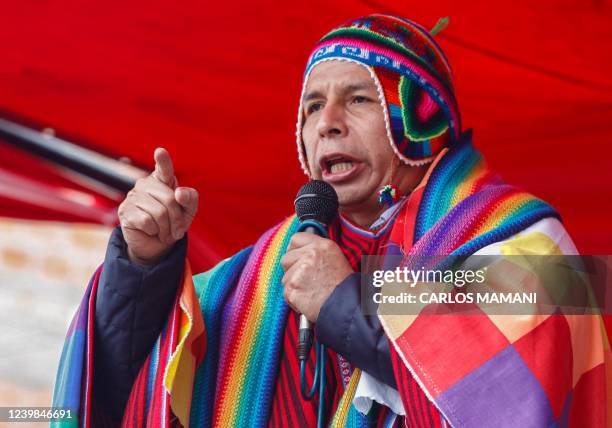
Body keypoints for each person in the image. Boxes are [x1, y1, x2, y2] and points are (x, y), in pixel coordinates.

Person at [52, 14, 610, 428]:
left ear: (421, 118)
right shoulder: (267, 271)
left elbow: (512, 389)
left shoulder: (525, 237)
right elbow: (138, 385)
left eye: (359, 100)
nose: (328, 124)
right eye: (313, 106)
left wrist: (345, 301)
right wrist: (143, 266)